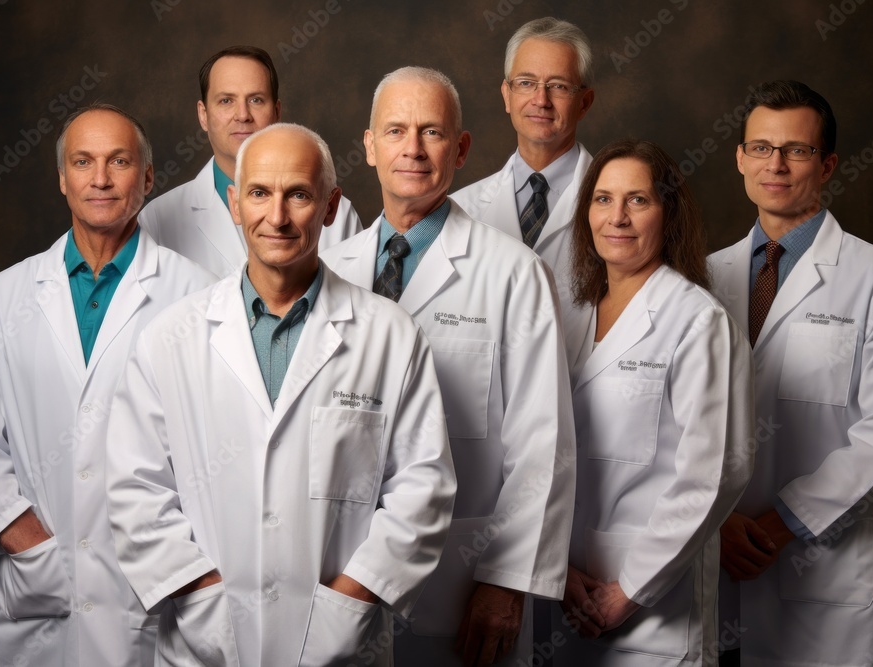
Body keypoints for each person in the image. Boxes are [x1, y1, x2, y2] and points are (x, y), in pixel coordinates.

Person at [106, 123, 456, 666]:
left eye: (298, 194)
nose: (277, 216)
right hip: (204, 644)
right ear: (234, 205)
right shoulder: (170, 338)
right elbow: (134, 488)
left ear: (332, 206)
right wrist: (202, 598)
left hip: (341, 643)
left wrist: (351, 599)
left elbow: (423, 487)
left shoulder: (389, 335)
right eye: (259, 193)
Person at [0, 104, 216, 666]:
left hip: (155, 591)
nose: (100, 179)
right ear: (62, 177)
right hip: (37, 594)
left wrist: (181, 560)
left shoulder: (201, 298)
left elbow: (221, 446)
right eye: (83, 161)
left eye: (119, 161)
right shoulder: (0, 300)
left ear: (147, 176)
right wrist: (33, 547)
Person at [321, 66, 576, 667]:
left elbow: (545, 442)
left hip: (460, 581)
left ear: (460, 149)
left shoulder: (513, 273)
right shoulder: (331, 268)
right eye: (396, 131)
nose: (412, 149)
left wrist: (506, 579)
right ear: (368, 145)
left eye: (432, 132)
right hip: (339, 578)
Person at [708, 80, 873, 667]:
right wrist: (719, 523)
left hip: (822, 571)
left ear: (828, 164)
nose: (775, 164)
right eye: (760, 147)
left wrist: (781, 525)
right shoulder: (703, 277)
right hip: (715, 561)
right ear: (739, 158)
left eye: (797, 151)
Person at [552, 140, 754, 666]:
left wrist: (631, 590)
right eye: (602, 199)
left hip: (653, 605)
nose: (616, 217)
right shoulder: (569, 317)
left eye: (638, 200)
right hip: (563, 592)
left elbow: (714, 474)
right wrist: (554, 568)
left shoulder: (697, 322)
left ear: (670, 213)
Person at [139, 45, 361, 277]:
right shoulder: (158, 219)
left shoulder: (337, 212)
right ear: (203, 115)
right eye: (226, 101)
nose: (243, 115)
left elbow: (352, 302)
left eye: (256, 100)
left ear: (276, 112)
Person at [451, 17, 595, 367]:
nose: (540, 100)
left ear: (585, 102)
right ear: (507, 95)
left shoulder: (616, 209)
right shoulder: (460, 210)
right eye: (527, 83)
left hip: (583, 406)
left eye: (558, 86)